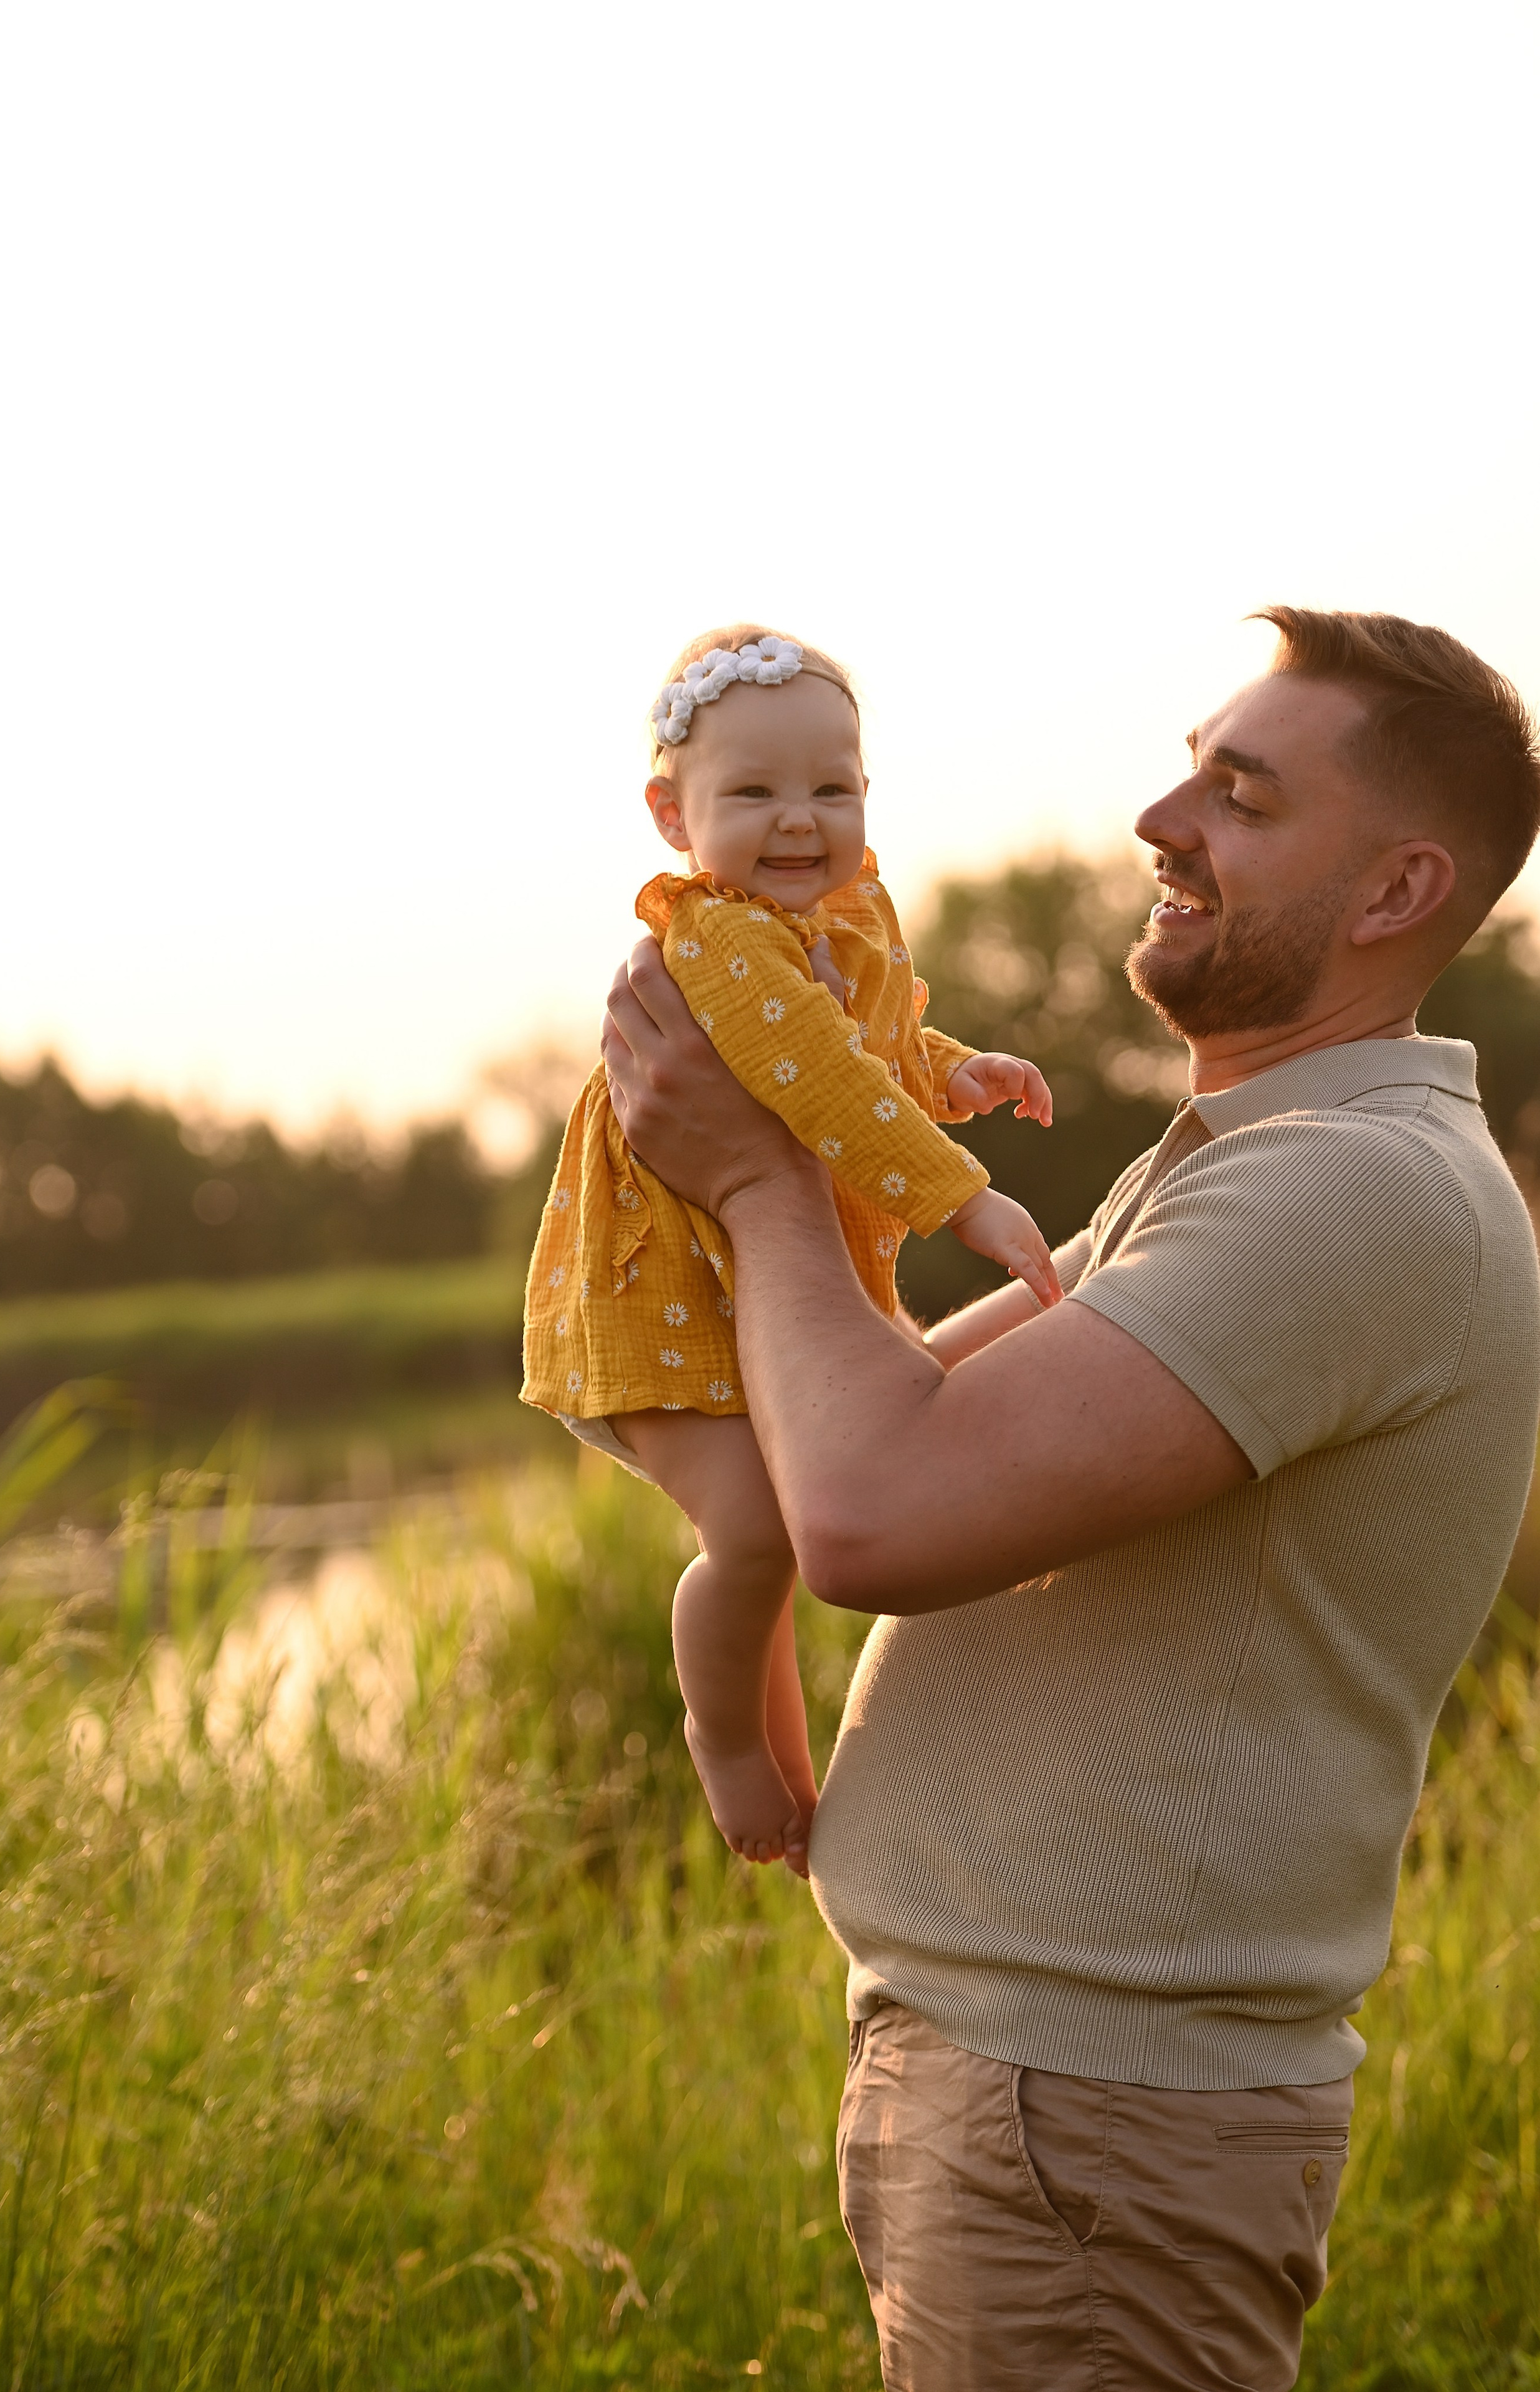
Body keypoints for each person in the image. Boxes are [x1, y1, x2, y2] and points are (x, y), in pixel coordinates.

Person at [598, 607, 1540, 2391]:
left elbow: (869, 1515)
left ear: (1399, 886)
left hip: (1091, 2122)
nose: (1159, 818)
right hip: (1037, 2102)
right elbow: (847, 1422)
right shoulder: (1246, 1166)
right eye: (1193, 765)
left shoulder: (1349, 1197)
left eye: (1241, 796)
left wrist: (761, 1173)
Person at [522, 625, 1058, 1876]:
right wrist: (958, 1198)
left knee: (767, 1529)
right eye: (751, 793)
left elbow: (862, 1051)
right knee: (755, 1534)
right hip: (658, 1292)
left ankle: (788, 1774)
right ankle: (721, 1746)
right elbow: (813, 1077)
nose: (798, 821)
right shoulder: (717, 935)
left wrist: (948, 1072)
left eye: (830, 787)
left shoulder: (847, 914)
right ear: (672, 815)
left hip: (738, 1287)